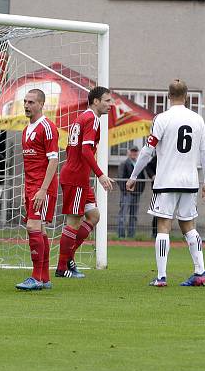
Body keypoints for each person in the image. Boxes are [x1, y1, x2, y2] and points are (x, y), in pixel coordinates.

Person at [126, 79, 205, 287]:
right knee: (189, 226)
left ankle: (161, 277)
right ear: (186, 96)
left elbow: (148, 149)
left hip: (166, 181)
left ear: (168, 95)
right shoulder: (197, 119)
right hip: (189, 181)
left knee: (163, 226)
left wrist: (134, 175)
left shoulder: (161, 119)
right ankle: (200, 271)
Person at [56, 86, 114, 278]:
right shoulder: (91, 119)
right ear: (96, 101)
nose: (111, 105)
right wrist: (100, 174)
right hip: (76, 178)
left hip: (79, 177)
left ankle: (69, 257)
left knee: (94, 216)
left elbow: (70, 147)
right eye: (107, 100)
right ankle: (62, 268)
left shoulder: (82, 118)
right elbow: (85, 150)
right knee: (73, 222)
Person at [15, 88, 60, 291]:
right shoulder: (26, 130)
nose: (26, 105)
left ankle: (36, 277)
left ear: (41, 104)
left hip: (43, 187)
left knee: (33, 227)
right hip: (30, 186)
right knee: (39, 229)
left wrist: (42, 190)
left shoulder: (47, 127)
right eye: (25, 101)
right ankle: (44, 278)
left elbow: (54, 160)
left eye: (31, 102)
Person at [117, 146, 144, 238]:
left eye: (135, 151)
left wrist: (140, 191)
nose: (134, 153)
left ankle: (131, 236)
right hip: (126, 194)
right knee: (123, 215)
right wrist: (125, 191)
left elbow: (142, 178)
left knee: (134, 215)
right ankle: (121, 235)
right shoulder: (124, 164)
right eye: (132, 151)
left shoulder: (139, 164)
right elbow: (120, 178)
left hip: (136, 194)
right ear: (129, 152)